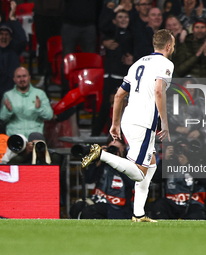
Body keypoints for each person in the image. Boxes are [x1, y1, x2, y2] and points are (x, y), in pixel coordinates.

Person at [81, 29, 175, 222]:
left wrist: (115, 124)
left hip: (128, 118)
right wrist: (164, 124)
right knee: (140, 174)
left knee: (151, 164)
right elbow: (159, 91)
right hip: (144, 122)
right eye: (173, 44)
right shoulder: (166, 64)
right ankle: (102, 154)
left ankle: (138, 214)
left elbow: (119, 95)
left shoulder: (138, 63)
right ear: (168, 46)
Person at [91, 9, 133, 136]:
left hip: (125, 76)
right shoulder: (110, 34)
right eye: (119, 17)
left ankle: (124, 136)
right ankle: (95, 135)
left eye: (125, 17)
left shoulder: (132, 34)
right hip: (110, 76)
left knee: (126, 107)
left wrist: (133, 57)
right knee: (105, 106)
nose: (123, 19)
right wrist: (113, 9)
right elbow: (102, 25)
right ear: (114, 21)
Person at [71, 137, 134, 219]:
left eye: (115, 148)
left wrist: (118, 164)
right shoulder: (103, 163)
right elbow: (89, 179)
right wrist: (98, 160)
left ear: (123, 148)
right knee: (76, 208)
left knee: (89, 212)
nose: (113, 151)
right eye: (111, 148)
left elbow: (132, 183)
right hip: (99, 201)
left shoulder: (129, 164)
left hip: (117, 207)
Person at [0, 67, 53, 139]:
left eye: (24, 76)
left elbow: (49, 116)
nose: (22, 79)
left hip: (34, 138)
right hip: (15, 138)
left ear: (29, 78)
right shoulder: (8, 95)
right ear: (14, 79)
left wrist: (39, 108)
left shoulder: (40, 94)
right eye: (19, 77)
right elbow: (2, 118)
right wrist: (8, 111)